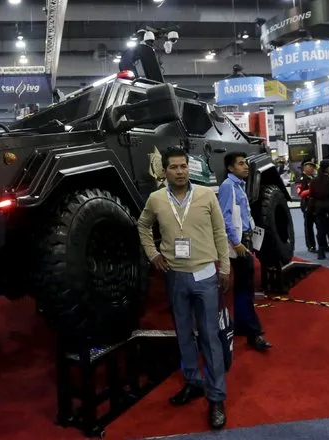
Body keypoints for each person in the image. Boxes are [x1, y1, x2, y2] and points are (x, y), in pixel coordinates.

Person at [137, 147, 230, 431]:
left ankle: (216, 397)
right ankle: (193, 381)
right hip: (175, 275)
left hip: (205, 274)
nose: (180, 171)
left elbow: (219, 232)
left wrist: (224, 267)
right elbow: (142, 226)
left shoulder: (205, 195)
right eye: (174, 167)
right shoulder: (156, 199)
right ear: (164, 171)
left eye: (184, 166)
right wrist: (152, 254)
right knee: (184, 334)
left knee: (210, 337)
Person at [217, 152, 272, 352]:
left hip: (245, 240)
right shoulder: (227, 186)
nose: (246, 166)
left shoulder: (238, 185)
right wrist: (236, 242)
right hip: (238, 244)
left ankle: (243, 326)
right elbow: (225, 216)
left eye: (246, 163)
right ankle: (253, 332)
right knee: (245, 286)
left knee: (243, 286)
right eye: (241, 164)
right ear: (230, 168)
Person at [295, 158, 317, 252]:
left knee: (320, 225)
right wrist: (312, 190)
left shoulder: (315, 178)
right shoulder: (301, 179)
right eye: (310, 166)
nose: (312, 168)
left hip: (316, 204)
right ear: (305, 168)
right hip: (307, 204)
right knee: (309, 226)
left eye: (313, 167)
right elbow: (300, 193)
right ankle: (311, 245)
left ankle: (323, 245)